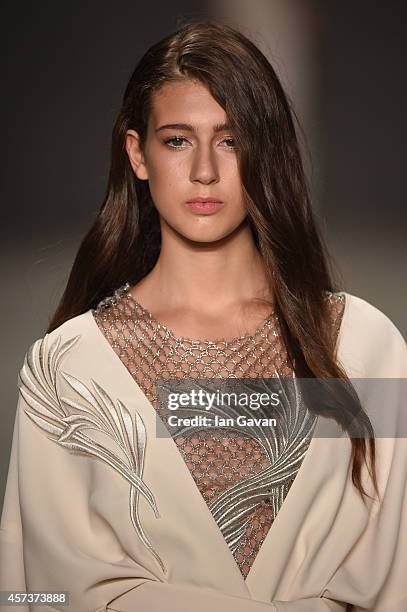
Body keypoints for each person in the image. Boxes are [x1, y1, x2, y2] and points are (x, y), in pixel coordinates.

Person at [1, 19, 406, 612]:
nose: (205, 172)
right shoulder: (67, 368)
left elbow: (397, 574)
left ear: (263, 152)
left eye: (231, 139)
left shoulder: (364, 347)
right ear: (138, 154)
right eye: (176, 140)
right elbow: (39, 592)